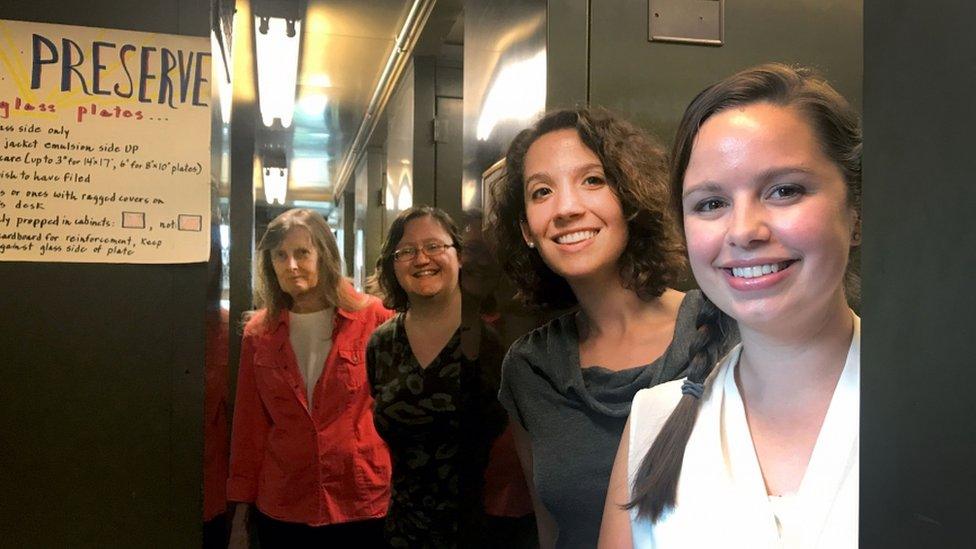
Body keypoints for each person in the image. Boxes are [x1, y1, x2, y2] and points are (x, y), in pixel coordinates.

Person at [599, 63, 862, 548]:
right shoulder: (653, 423)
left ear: (856, 209)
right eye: (710, 203)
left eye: (784, 190)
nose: (744, 231)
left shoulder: (943, 409)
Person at [486, 107, 737, 548]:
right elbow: (551, 530)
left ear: (629, 195)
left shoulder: (726, 327)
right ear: (527, 229)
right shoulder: (529, 369)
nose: (565, 208)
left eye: (592, 180)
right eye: (542, 192)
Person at [227, 208, 393, 547]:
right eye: (280, 255)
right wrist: (240, 515)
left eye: (302, 252)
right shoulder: (259, 334)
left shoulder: (373, 317)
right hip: (285, 501)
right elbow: (249, 427)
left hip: (360, 498)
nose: (291, 265)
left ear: (325, 255)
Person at [367, 205, 502, 547]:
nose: (421, 258)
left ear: (458, 257)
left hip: (477, 534)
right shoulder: (381, 344)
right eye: (407, 251)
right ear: (393, 265)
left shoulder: (492, 347)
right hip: (400, 534)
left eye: (434, 246)